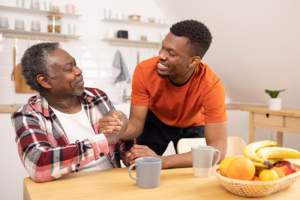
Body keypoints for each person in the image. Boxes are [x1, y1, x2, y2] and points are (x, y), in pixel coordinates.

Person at [99, 19, 228, 169]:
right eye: (162, 48)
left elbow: (217, 152)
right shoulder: (144, 70)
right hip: (155, 122)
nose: (161, 56)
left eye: (171, 54)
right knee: (140, 166)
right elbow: (135, 125)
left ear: (193, 61)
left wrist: (162, 161)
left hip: (192, 124)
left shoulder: (211, 86)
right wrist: (116, 130)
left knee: (192, 171)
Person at [11, 42, 134, 183]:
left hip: (113, 185)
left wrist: (132, 155)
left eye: (75, 64)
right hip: (68, 191)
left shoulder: (97, 97)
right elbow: (39, 165)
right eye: (69, 69)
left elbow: (121, 142)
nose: (79, 70)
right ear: (44, 81)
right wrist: (104, 140)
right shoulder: (28, 115)